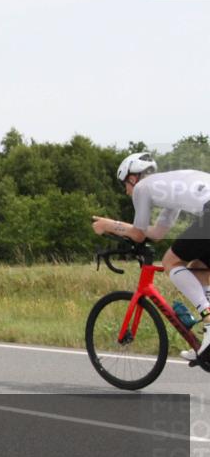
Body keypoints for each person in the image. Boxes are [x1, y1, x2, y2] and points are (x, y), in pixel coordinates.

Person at [91, 153, 210, 360]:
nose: (127, 192)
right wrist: (119, 227)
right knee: (200, 268)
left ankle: (209, 321)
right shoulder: (169, 186)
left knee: (170, 262)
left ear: (132, 178)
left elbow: (137, 234)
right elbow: (156, 233)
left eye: (124, 185)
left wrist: (108, 225)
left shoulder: (142, 188)